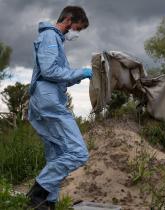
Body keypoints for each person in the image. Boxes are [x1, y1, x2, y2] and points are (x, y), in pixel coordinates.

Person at [27, 6, 92, 209]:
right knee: (78, 153)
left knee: (56, 154)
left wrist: (76, 77)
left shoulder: (55, 40)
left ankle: (46, 203)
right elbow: (49, 71)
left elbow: (57, 76)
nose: (76, 33)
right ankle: (38, 191)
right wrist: (81, 72)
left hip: (47, 98)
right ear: (68, 19)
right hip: (48, 102)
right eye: (77, 28)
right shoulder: (49, 36)